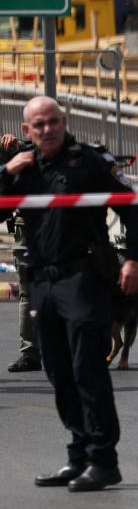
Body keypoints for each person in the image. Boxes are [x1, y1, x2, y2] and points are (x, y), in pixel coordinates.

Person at [0, 96, 138, 492]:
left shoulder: (90, 162)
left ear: (64, 122)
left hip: (83, 277)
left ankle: (103, 460)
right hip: (42, 282)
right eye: (39, 124)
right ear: (27, 130)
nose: (47, 129)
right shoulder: (23, 167)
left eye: (53, 121)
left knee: (87, 368)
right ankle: (79, 456)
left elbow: (133, 210)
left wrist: (135, 260)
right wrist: (5, 172)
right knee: (58, 371)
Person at [1, 133, 40, 372]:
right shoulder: (12, 154)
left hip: (62, 236)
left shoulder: (65, 153)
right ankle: (31, 353)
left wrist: (18, 146)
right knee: (28, 294)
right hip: (27, 234)